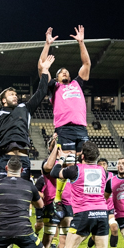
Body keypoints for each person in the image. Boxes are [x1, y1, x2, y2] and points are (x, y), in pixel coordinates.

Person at [43, 139, 120, 248]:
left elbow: (54, 172)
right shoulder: (103, 171)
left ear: (82, 156)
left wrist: (62, 158)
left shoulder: (75, 170)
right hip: (101, 213)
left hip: (83, 214)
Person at [38, 25, 92, 200]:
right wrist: (47, 45)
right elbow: (41, 68)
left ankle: (82, 195)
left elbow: (86, 64)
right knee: (67, 162)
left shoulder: (77, 83)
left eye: (67, 71)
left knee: (86, 161)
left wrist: (81, 43)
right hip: (65, 129)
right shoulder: (54, 87)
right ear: (57, 77)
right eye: (61, 72)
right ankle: (61, 199)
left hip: (81, 128)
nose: (65, 73)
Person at [0, 55, 52, 179]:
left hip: (24, 158)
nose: (15, 96)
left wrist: (45, 71)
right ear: (3, 100)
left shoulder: (25, 108)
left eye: (16, 94)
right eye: (11, 94)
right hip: (5, 158)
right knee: (0, 193)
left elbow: (41, 91)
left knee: (24, 194)